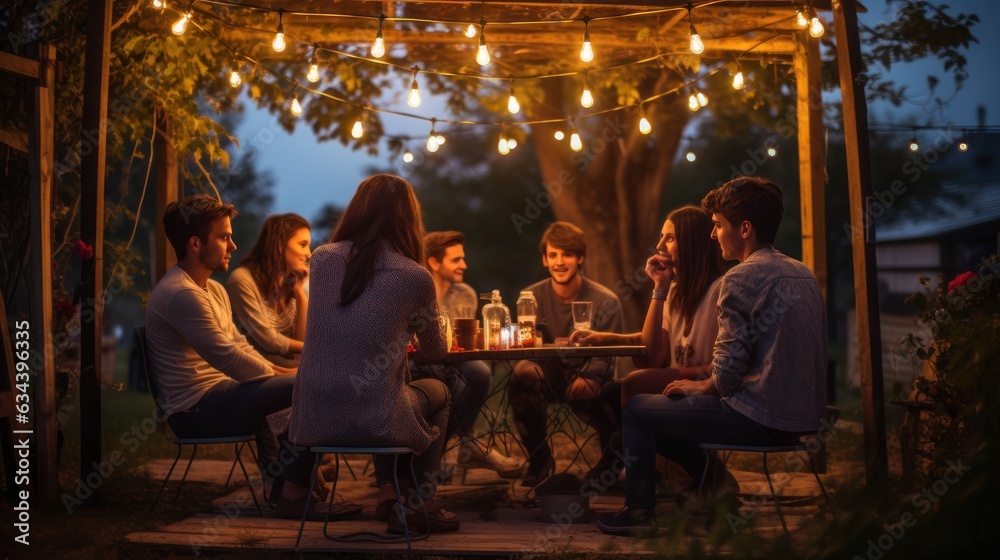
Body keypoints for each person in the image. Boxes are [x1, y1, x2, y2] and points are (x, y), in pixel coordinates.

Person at [597, 176, 828, 536]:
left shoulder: (739, 279)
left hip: (760, 418)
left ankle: (640, 511)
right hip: (806, 418)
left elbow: (728, 373)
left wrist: (702, 387)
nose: (712, 234)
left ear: (745, 229)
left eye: (718, 225)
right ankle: (707, 489)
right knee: (660, 398)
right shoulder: (802, 273)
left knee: (638, 408)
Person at [285, 174, 460, 534]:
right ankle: (416, 502)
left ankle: (383, 494)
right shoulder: (415, 275)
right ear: (409, 218)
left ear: (356, 210)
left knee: (392, 390)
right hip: (373, 417)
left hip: (312, 413)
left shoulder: (321, 259)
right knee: (440, 392)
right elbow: (436, 351)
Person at [144, 195, 307, 516]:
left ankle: (286, 488)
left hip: (219, 395)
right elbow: (229, 359)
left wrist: (279, 373)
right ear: (194, 243)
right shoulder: (181, 294)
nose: (233, 246)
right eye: (224, 237)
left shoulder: (212, 289)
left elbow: (239, 347)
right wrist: (288, 377)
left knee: (294, 386)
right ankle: (295, 494)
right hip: (194, 410)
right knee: (304, 386)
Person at [569, 206, 726, 488]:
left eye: (669, 238)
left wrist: (681, 375)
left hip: (709, 384)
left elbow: (722, 365)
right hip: (678, 379)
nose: (659, 246)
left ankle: (638, 482)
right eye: (662, 237)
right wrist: (659, 289)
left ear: (691, 243)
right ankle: (695, 471)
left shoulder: (720, 290)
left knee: (634, 383)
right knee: (607, 394)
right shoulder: (675, 291)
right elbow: (652, 354)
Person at [509, 221, 624, 487]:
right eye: (553, 255)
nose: (560, 262)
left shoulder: (605, 300)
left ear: (580, 258)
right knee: (522, 377)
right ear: (544, 260)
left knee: (602, 395)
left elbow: (607, 356)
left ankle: (608, 468)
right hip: (548, 373)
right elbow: (525, 347)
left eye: (567, 254)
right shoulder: (530, 297)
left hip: (589, 375)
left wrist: (590, 375)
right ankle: (539, 459)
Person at [411, 231, 521, 477]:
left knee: (479, 371)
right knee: (441, 381)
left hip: (453, 361)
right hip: (418, 362)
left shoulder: (465, 294)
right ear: (434, 262)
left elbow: (464, 344)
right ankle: (450, 449)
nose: (464, 265)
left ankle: (452, 445)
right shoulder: (415, 291)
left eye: (463, 258)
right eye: (456, 260)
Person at [226, 213, 312, 368]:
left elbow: (300, 341)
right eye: (303, 244)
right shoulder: (242, 281)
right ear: (280, 244)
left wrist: (300, 294)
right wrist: (316, 351)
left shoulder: (290, 282)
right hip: (259, 369)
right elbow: (269, 342)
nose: (309, 253)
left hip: (290, 366)